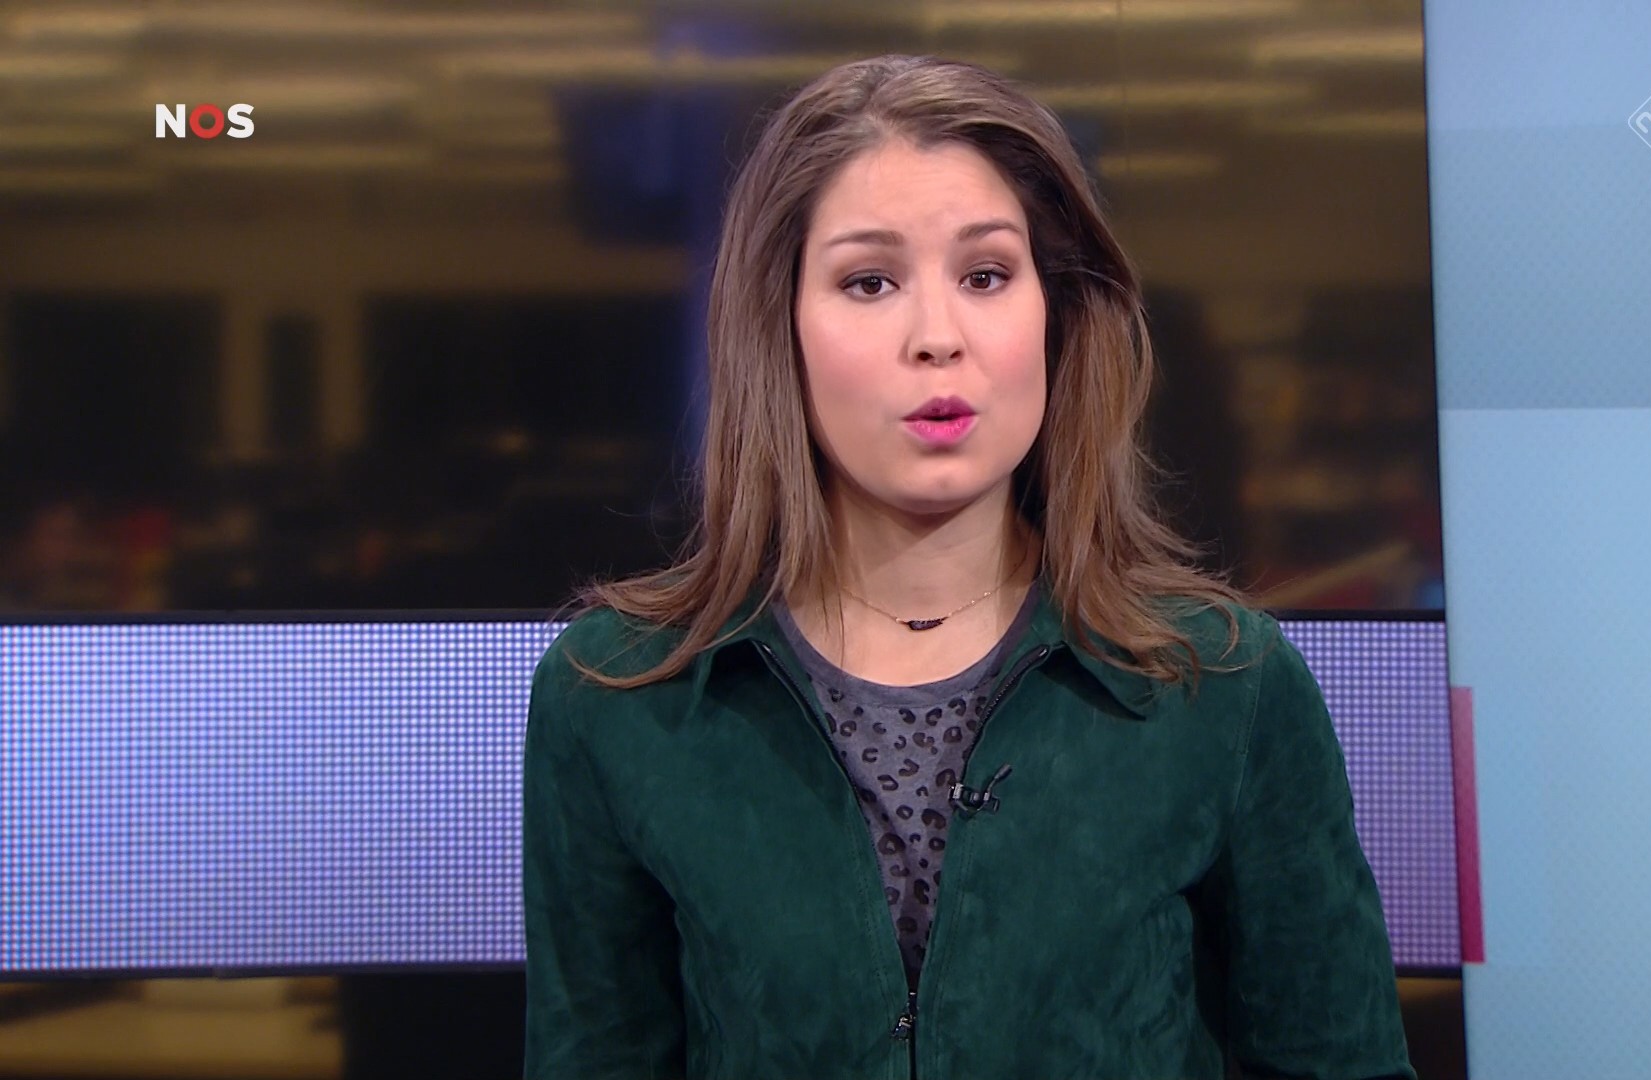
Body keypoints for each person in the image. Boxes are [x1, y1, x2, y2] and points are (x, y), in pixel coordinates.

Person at [522, 54, 1414, 1080]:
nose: (937, 337)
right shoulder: (621, 698)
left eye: (986, 275)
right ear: (780, 326)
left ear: (1054, 312)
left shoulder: (1223, 685)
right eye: (870, 282)